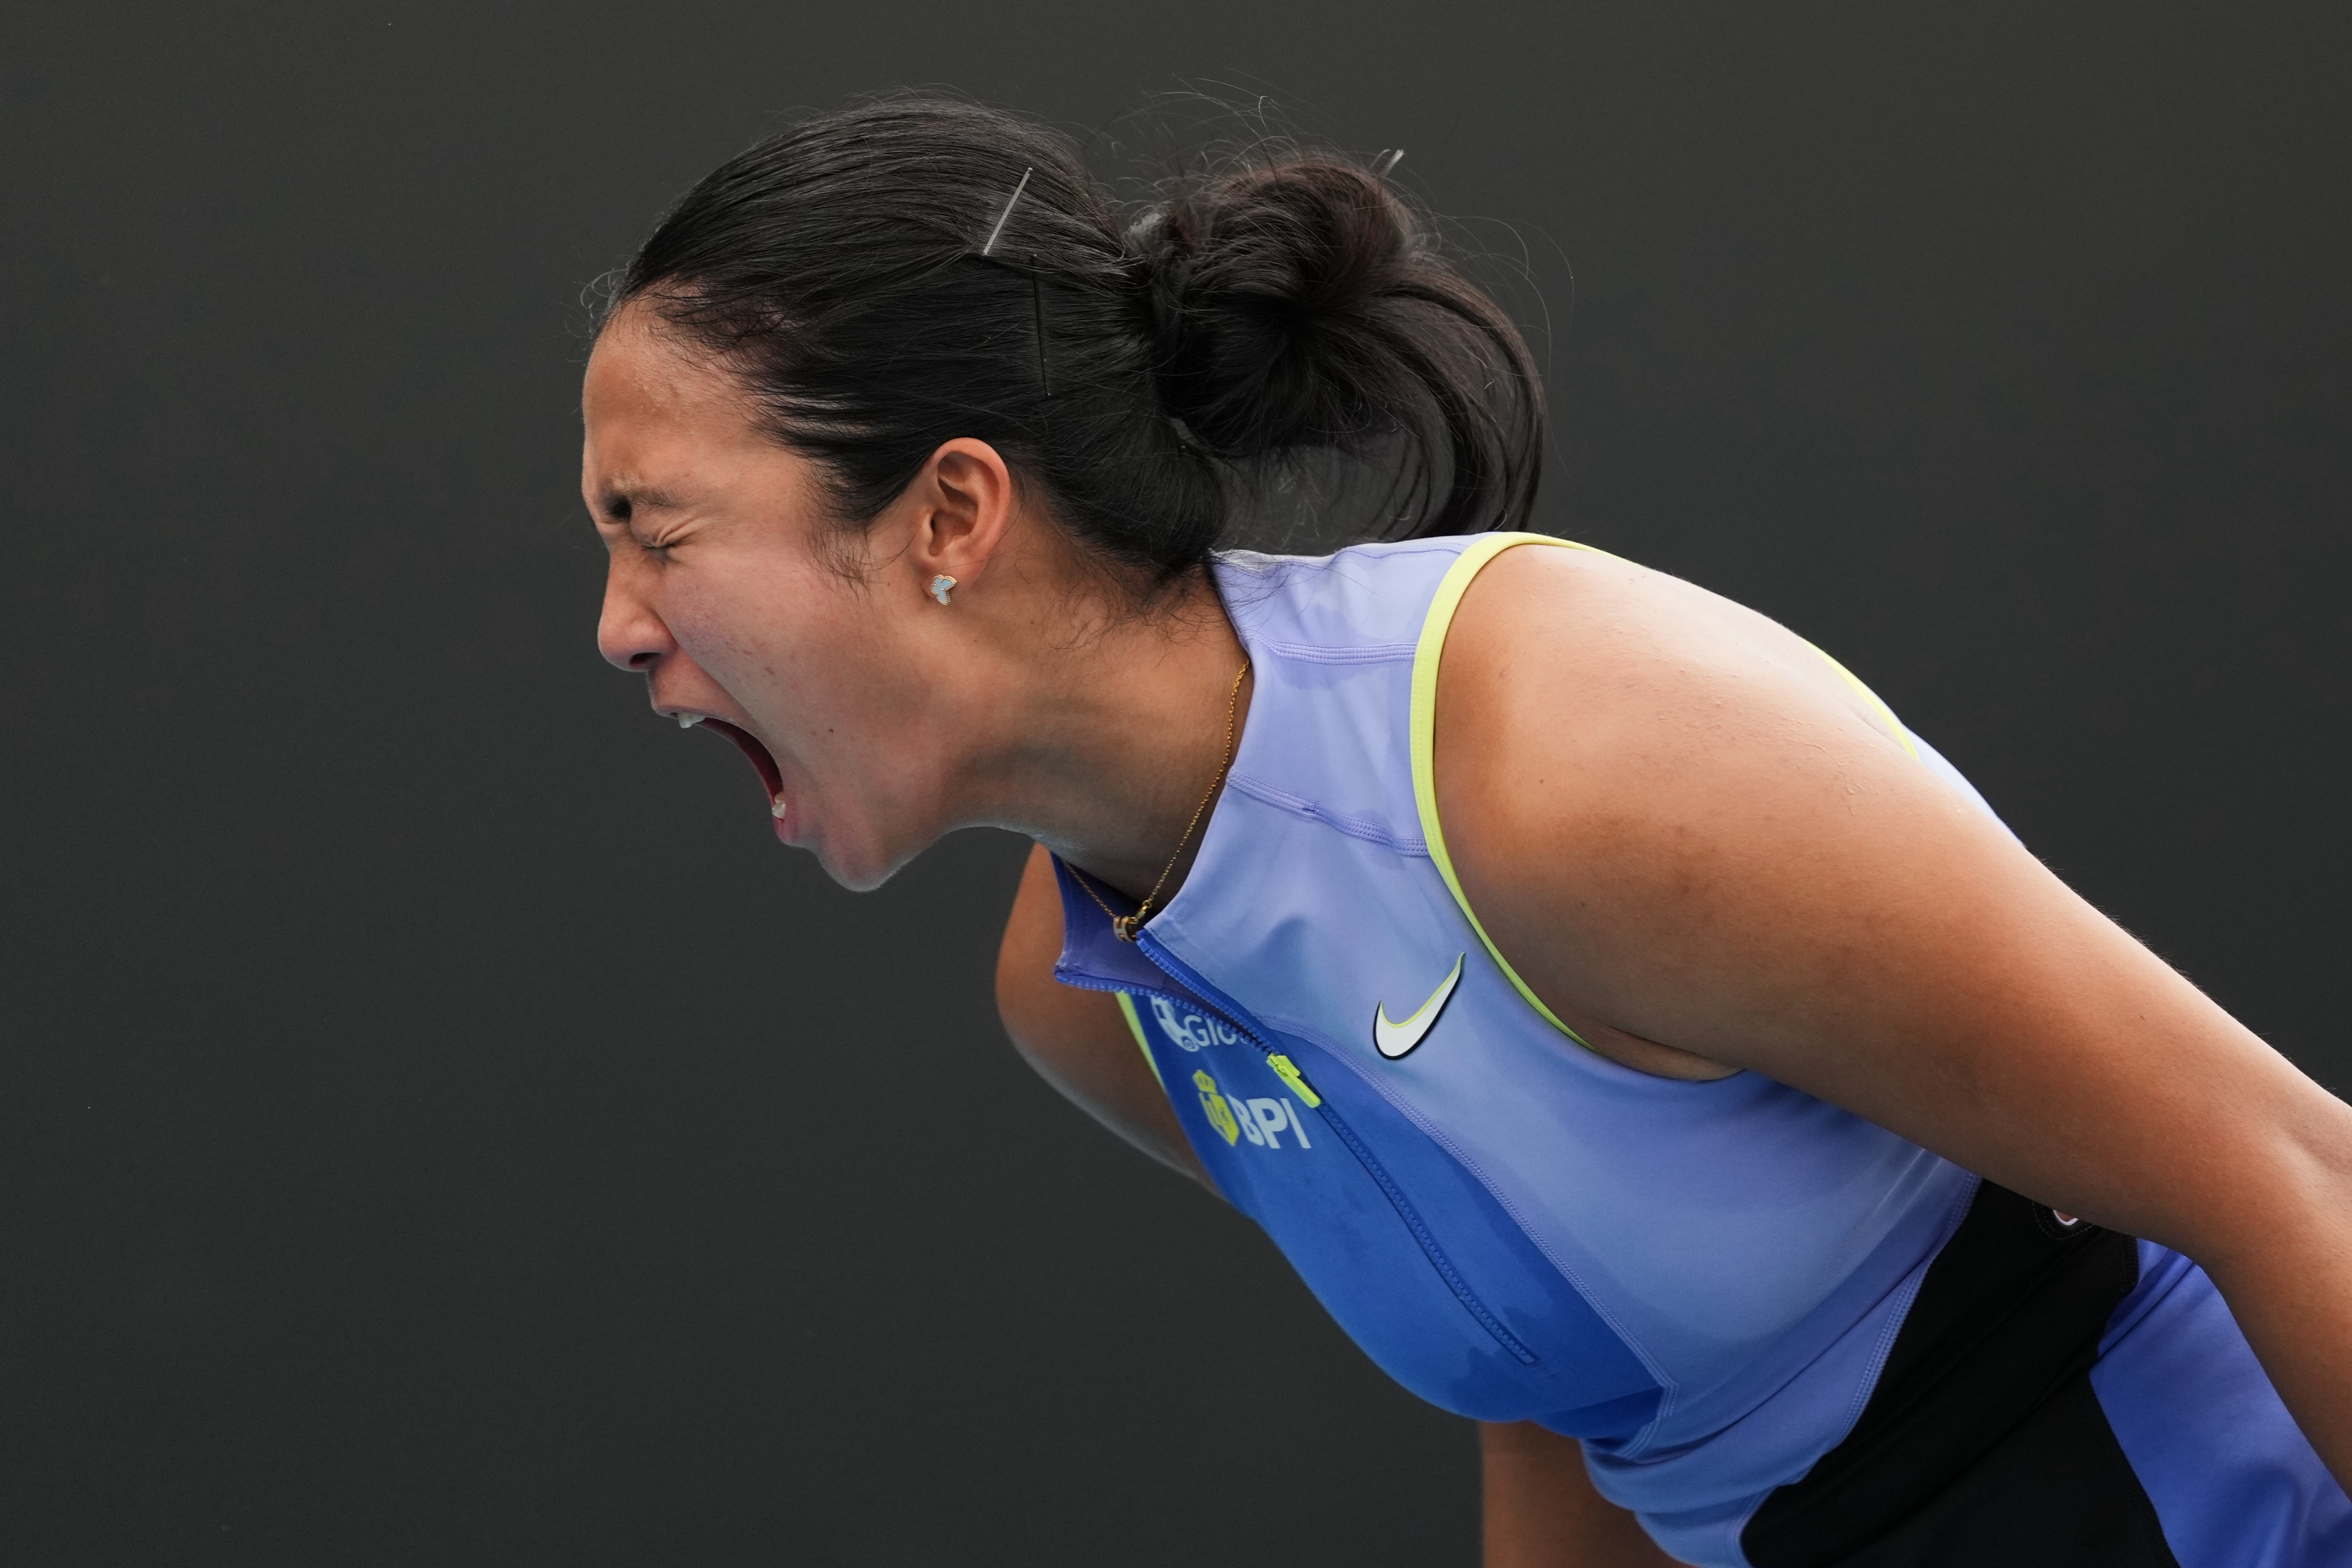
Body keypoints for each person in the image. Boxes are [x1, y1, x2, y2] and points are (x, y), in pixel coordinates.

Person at [580, 94, 2352, 1568]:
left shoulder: (1558, 758)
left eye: (655, 528)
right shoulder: (1090, 1000)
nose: (619, 624)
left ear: (949, 512)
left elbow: (2293, 1183)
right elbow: (1560, 1395)